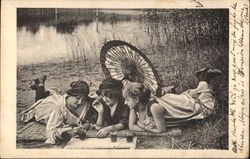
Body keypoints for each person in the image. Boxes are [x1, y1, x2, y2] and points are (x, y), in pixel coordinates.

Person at [122, 67, 222, 133]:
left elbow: (160, 130)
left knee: (204, 108)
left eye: (127, 99)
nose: (125, 103)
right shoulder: (133, 108)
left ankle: (204, 78)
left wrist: (142, 125)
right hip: (169, 101)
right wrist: (145, 126)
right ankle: (203, 79)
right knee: (195, 96)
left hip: (179, 106)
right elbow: (131, 127)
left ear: (137, 99)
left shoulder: (154, 108)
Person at [20, 78, 97, 144]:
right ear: (70, 95)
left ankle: (40, 86)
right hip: (48, 108)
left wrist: (88, 124)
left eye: (83, 99)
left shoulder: (86, 103)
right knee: (40, 106)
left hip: (58, 101)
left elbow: (91, 119)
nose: (80, 102)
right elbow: (51, 131)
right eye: (77, 98)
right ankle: (40, 85)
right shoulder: (58, 107)